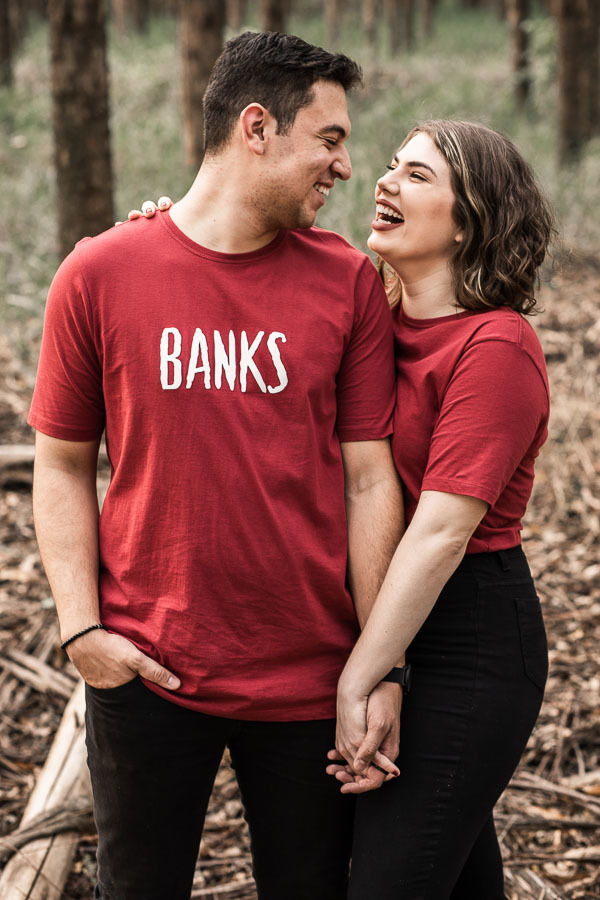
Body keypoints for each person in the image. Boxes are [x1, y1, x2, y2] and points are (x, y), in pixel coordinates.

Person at [29, 31, 406, 900]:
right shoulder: (99, 274)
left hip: (313, 679)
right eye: (332, 139)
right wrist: (83, 630)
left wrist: (378, 667)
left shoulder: (347, 282)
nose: (345, 167)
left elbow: (369, 480)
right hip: (151, 670)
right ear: (256, 127)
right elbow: (60, 464)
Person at [324, 120, 555, 898]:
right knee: (452, 877)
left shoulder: (497, 346)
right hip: (384, 613)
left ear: (470, 220)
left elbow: (440, 533)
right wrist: (160, 224)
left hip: (470, 641)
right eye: (390, 166)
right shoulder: (369, 317)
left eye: (417, 175)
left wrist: (364, 677)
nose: (384, 181)